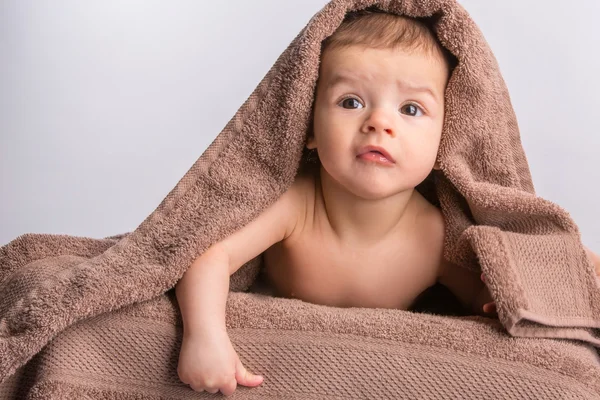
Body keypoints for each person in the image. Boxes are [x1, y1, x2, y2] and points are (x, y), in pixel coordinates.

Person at [174, 9, 600, 396]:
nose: (379, 122)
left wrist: (499, 301)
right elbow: (208, 255)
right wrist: (205, 337)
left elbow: (484, 306)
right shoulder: (295, 204)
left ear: (443, 143)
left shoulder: (433, 236)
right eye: (351, 102)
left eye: (411, 109)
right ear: (308, 126)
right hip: (279, 370)